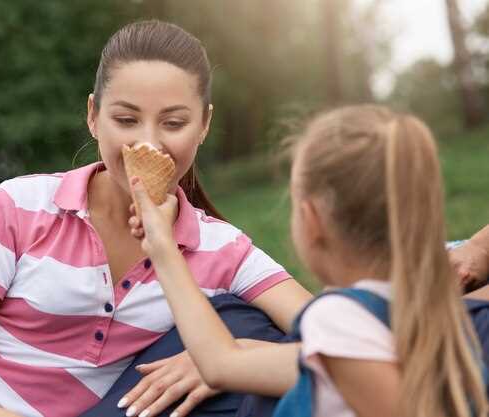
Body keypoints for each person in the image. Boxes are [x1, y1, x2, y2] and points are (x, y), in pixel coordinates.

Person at [0, 20, 312, 417]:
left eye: (174, 123)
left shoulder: (225, 251)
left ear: (204, 125)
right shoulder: (21, 206)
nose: (148, 145)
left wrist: (230, 359)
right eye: (125, 119)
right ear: (93, 116)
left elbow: (347, 343)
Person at [127, 104, 488, 417]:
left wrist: (163, 251)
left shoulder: (340, 321)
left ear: (311, 219)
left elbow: (219, 366)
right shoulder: (432, 312)